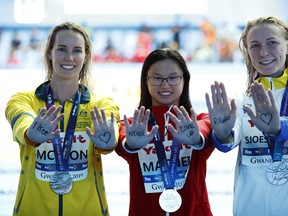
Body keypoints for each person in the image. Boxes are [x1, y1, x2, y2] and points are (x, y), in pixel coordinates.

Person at [5, 22, 120, 216]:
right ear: (49, 53)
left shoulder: (100, 104)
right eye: (61, 49)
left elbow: (111, 121)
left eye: (77, 50)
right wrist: (29, 133)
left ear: (86, 56)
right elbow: (20, 118)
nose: (69, 57)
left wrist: (109, 142)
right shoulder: (24, 100)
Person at [116, 47, 214, 216]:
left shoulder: (199, 122)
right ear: (145, 81)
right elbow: (123, 142)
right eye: (157, 78)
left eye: (173, 78)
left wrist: (195, 139)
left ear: (185, 80)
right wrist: (130, 145)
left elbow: (204, 132)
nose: (165, 85)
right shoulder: (133, 127)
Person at [205, 16, 288, 216]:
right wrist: (223, 133)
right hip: (250, 210)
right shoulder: (241, 100)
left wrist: (280, 129)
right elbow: (229, 141)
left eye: (272, 43)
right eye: (254, 46)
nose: (263, 52)